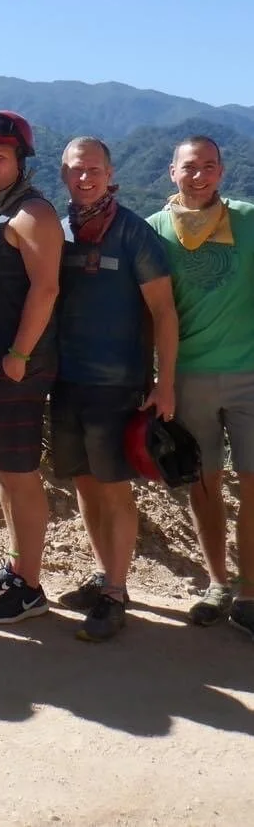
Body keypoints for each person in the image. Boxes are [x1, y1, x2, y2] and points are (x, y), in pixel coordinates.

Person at [52, 138, 177, 641]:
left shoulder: (133, 233)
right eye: (77, 171)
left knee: (114, 488)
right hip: (65, 382)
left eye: (95, 170)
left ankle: (117, 592)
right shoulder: (59, 230)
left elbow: (165, 312)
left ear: (111, 173)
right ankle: (106, 576)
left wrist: (164, 382)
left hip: (117, 385)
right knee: (83, 483)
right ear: (64, 175)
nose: (86, 179)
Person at [147, 135, 254, 638]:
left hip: (249, 375)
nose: (200, 175)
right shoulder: (154, 233)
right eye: (190, 167)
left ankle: (250, 592)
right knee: (205, 484)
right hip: (187, 378)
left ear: (222, 171)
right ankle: (217, 583)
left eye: (210, 166)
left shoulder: (249, 220)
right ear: (172, 172)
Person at [0, 111, 63, 624]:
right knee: (5, 469)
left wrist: (19, 356)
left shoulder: (33, 215)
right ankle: (18, 568)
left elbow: (46, 289)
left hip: (18, 366)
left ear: (21, 161)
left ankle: (31, 588)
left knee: (21, 475)